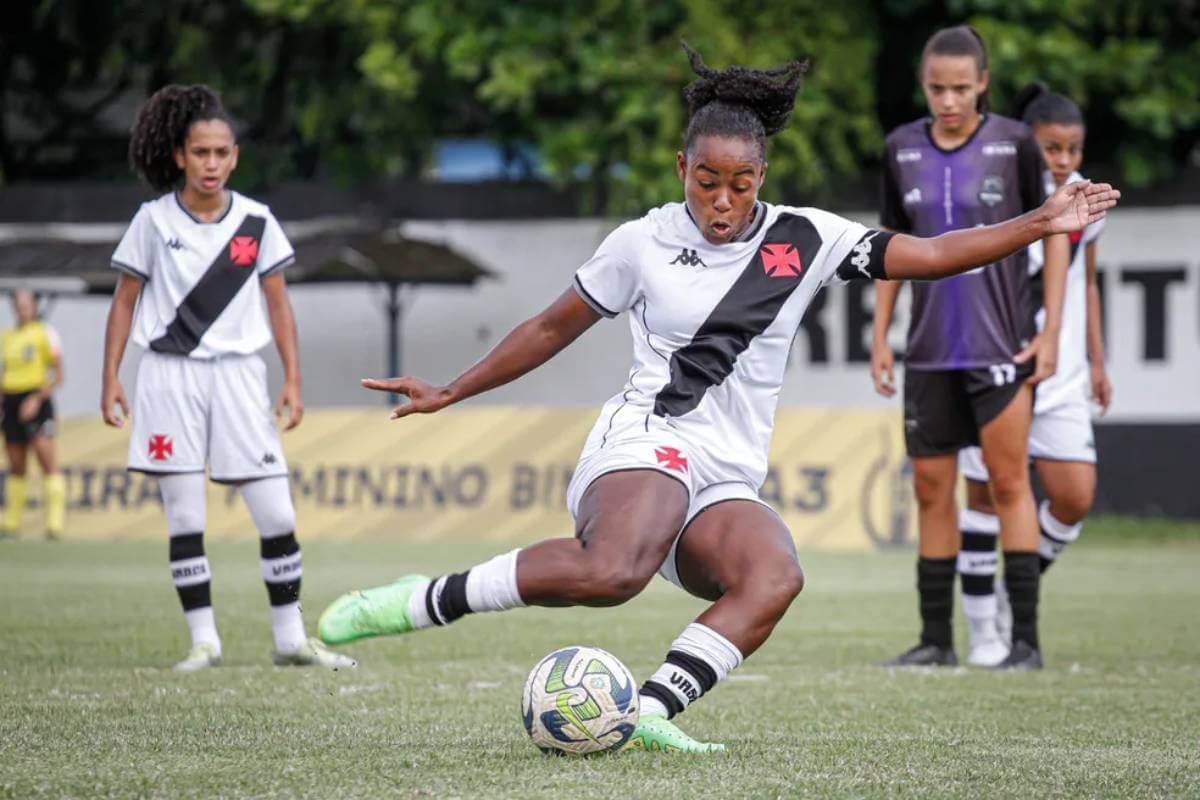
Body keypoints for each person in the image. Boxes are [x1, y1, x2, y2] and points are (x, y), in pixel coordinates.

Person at [317, 45, 1117, 751]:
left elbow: (936, 252)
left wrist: (1041, 220)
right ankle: (419, 601)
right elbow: (550, 328)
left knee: (772, 576)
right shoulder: (641, 241)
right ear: (681, 170)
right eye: (707, 182)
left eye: (740, 184)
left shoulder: (808, 239)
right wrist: (453, 389)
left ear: (762, 176)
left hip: (726, 470)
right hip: (645, 440)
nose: (723, 202)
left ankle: (654, 711)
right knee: (614, 573)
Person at [101, 84, 355, 672]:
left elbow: (280, 305)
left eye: (221, 153)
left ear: (235, 156)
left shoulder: (256, 222)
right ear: (179, 157)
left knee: (278, 516)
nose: (211, 163)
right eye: (200, 153)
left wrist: (292, 379)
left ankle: (290, 639)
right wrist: (110, 378)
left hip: (242, 377)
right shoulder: (152, 221)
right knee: (186, 517)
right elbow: (123, 303)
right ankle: (204, 641)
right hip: (168, 378)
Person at [871, 26, 1072, 670]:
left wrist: (1050, 333)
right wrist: (880, 338)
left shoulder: (1015, 143)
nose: (948, 100)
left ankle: (1026, 644)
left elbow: (1058, 231)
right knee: (933, 492)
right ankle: (936, 640)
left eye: (961, 88)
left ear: (983, 84)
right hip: (928, 353)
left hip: (1001, 347)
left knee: (1011, 485)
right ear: (923, 87)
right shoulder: (899, 146)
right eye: (936, 88)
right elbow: (888, 248)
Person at [956, 84, 1110, 663]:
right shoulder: (992, 193)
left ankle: (1009, 590)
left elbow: (1084, 282)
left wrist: (1097, 359)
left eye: (1072, 149)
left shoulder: (1083, 201)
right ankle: (983, 635)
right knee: (986, 494)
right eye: (1052, 148)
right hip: (995, 363)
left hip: (1062, 371)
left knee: (1074, 496)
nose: (1064, 161)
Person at [1, 289, 66, 540]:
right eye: (18, 303)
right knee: (16, 464)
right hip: (12, 401)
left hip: (36, 400)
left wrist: (37, 399)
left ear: (35, 305)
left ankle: (54, 525)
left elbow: (58, 375)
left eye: (27, 303)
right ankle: (11, 524)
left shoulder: (45, 333)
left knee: (45, 457)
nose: (22, 307)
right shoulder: (7, 337)